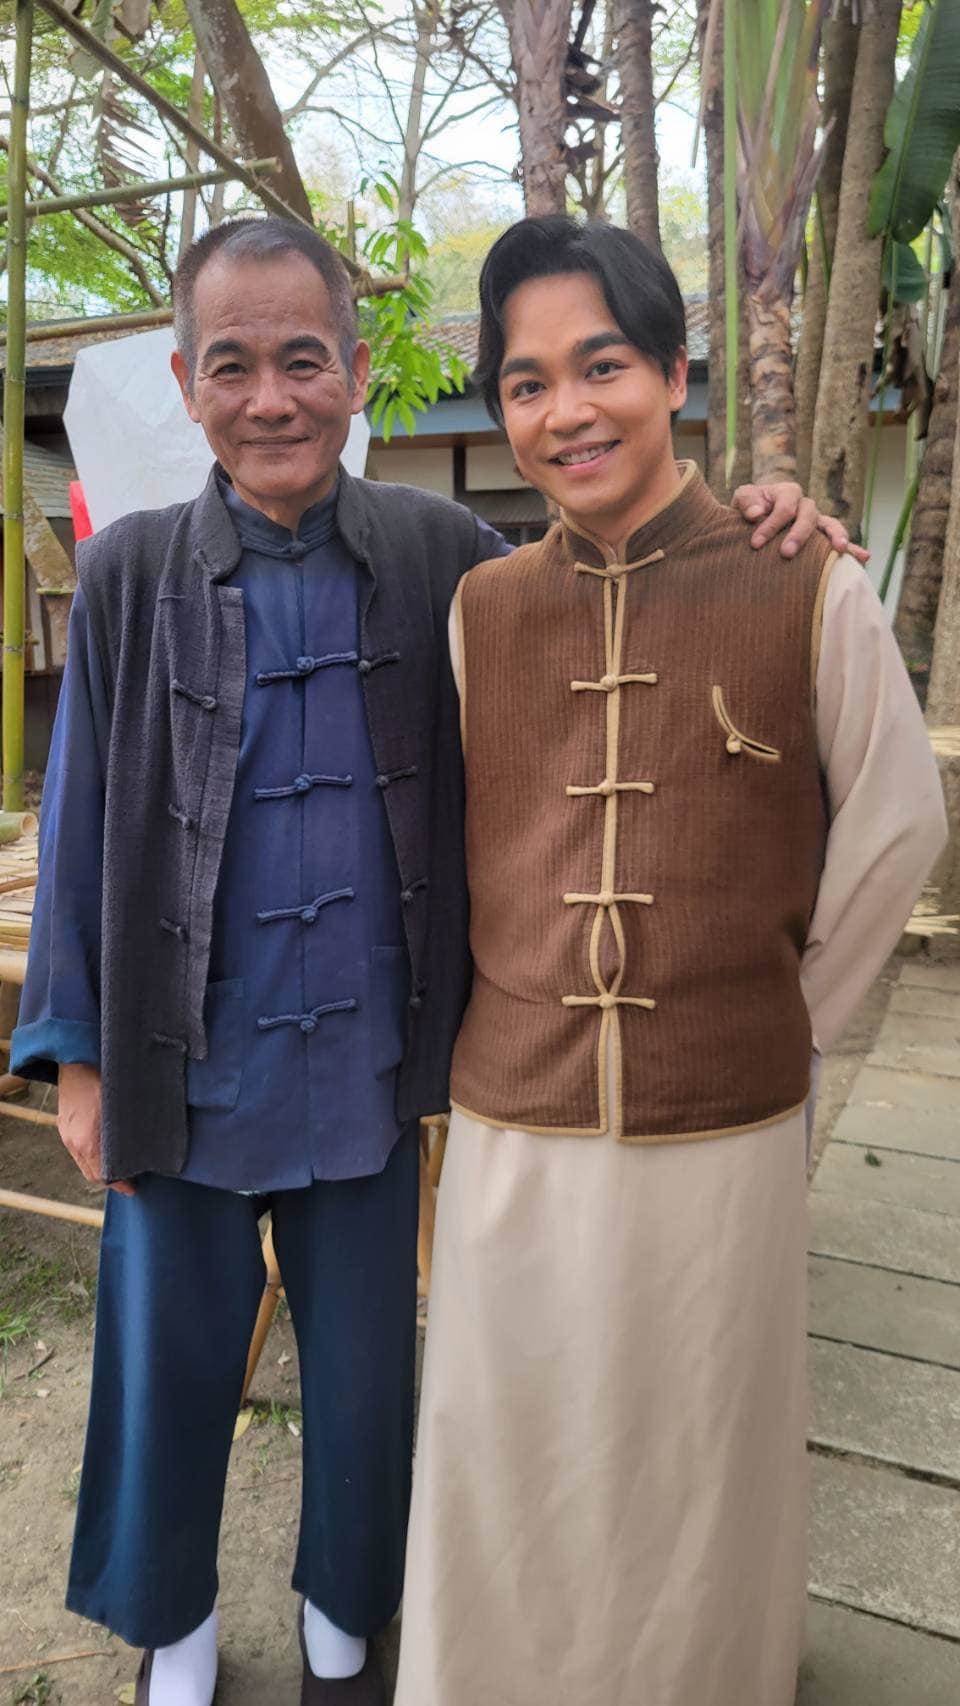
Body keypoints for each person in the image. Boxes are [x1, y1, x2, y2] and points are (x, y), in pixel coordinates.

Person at [11, 214, 842, 1706]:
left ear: (356, 373)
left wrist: (760, 517)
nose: (273, 397)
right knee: (160, 1362)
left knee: (370, 1371)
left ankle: (348, 1619)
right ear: (189, 385)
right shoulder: (128, 572)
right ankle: (172, 1629)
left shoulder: (443, 555)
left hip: (375, 1065)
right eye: (233, 366)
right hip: (174, 1056)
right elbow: (77, 820)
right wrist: (75, 1055)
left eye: (305, 360)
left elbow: (605, 577)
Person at [393, 216, 948, 1706]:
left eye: (603, 366)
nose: (565, 411)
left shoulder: (803, 579)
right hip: (515, 1111)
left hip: (729, 1122)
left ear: (674, 371)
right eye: (526, 383)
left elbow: (899, 820)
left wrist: (789, 1015)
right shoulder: (482, 606)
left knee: (702, 1446)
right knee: (510, 1435)